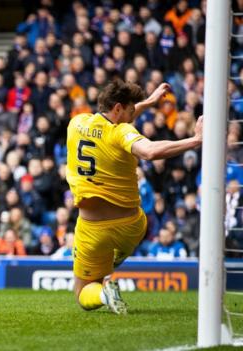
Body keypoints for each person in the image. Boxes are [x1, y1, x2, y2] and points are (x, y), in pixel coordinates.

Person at [66, 80, 203, 314]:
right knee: (122, 241)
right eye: (130, 111)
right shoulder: (121, 132)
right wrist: (195, 141)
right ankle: (111, 263)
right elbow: (148, 151)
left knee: (82, 293)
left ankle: (103, 292)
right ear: (118, 108)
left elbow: (122, 123)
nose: (132, 117)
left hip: (94, 230)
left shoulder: (76, 123)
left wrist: (148, 103)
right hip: (133, 226)